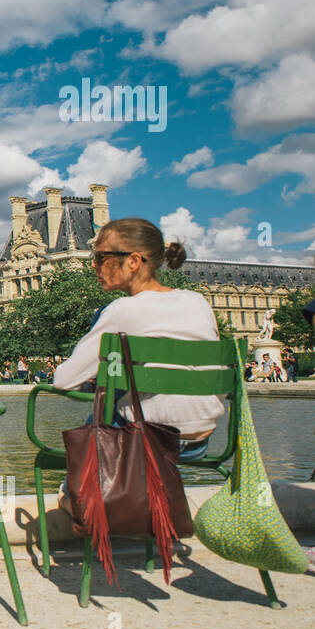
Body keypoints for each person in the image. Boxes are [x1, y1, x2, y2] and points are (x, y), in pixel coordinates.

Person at [53, 218, 225, 516]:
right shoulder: (198, 302)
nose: (93, 265)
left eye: (100, 257)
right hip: (200, 441)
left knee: (99, 417)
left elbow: (63, 381)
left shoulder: (121, 310)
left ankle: (81, 502)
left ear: (133, 261)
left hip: (147, 443)